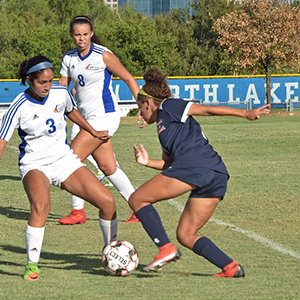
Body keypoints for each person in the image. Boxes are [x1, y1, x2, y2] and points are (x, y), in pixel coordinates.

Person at [128, 68, 270, 276]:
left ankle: (165, 248)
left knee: (137, 199)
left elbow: (207, 110)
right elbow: (170, 165)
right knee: (186, 234)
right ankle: (231, 267)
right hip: (215, 174)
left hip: (196, 168)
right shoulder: (163, 127)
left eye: (140, 108)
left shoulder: (170, 105)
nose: (140, 114)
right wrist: (148, 162)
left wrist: (245, 113)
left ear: (148, 102)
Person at [0, 55, 118, 281]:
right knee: (42, 205)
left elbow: (71, 111)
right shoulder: (18, 106)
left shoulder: (60, 93)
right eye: (42, 82)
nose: (47, 86)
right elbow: (2, 141)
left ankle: (111, 253)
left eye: (50, 80)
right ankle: (32, 266)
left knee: (107, 201)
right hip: (35, 164)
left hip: (64, 161)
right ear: (29, 80)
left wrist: (92, 131)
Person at [59, 15, 140, 225]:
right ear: (71, 35)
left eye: (85, 34)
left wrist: (141, 106)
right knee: (108, 167)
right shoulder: (68, 58)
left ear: (91, 34)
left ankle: (80, 209)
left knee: (69, 161)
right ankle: (139, 207)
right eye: (77, 35)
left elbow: (129, 78)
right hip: (83, 120)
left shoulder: (103, 55)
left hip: (105, 117)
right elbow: (61, 89)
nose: (81, 39)